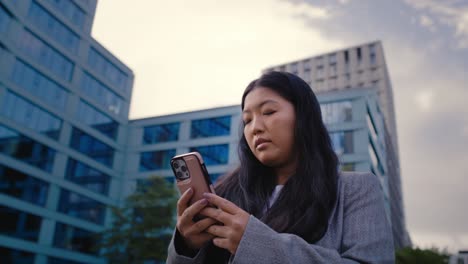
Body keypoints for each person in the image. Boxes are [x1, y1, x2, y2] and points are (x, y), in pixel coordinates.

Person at [166, 71, 395, 263]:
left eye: (268, 112)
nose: (255, 128)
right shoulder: (225, 195)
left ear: (304, 117)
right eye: (247, 120)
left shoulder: (356, 188)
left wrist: (254, 242)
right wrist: (187, 246)